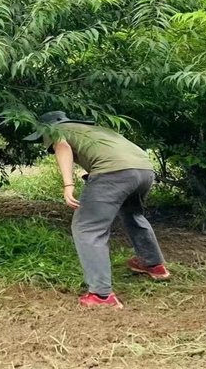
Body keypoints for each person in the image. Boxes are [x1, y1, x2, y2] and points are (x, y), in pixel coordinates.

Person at [25, 110, 170, 309]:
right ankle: (153, 264)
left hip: (114, 173)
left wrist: (68, 185)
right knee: (132, 214)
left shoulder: (56, 129)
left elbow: (62, 146)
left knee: (87, 227)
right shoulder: (93, 129)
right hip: (144, 170)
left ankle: (101, 295)